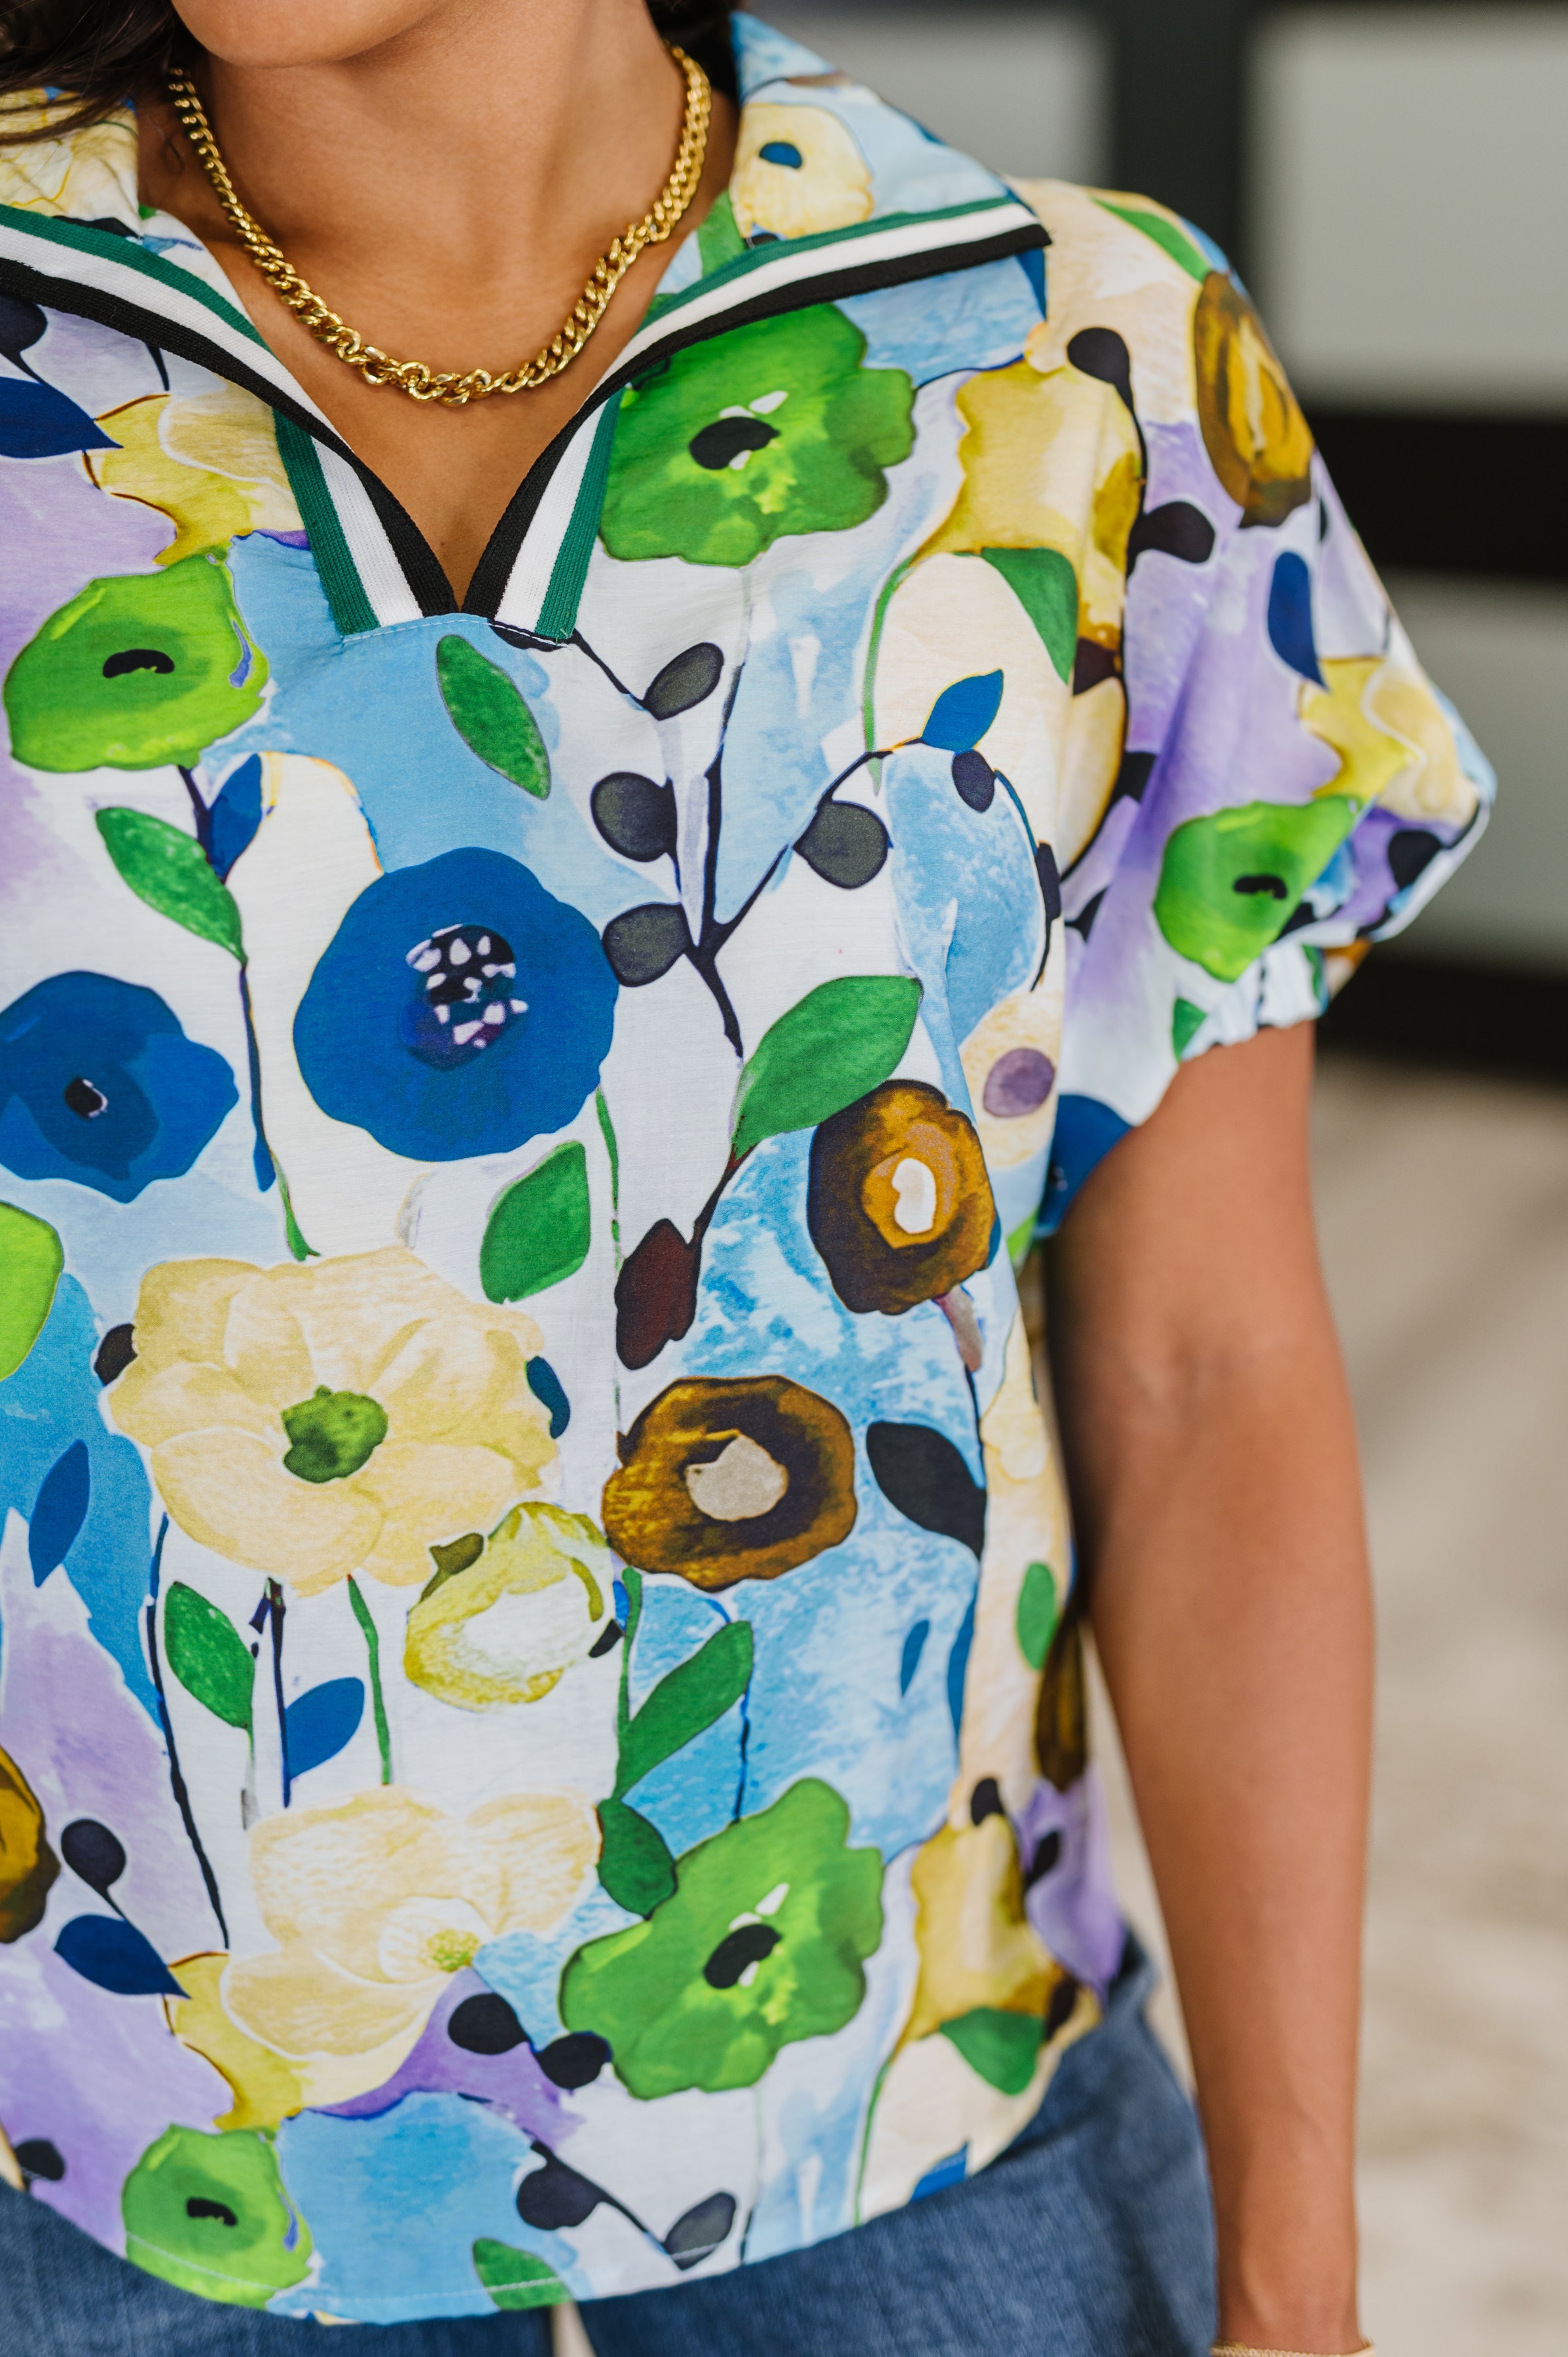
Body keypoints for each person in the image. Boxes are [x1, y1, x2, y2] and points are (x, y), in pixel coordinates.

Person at [0, 5, 1490, 2354]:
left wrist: (1293, 2276)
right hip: (90, 2130)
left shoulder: (1080, 355)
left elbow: (1203, 1370)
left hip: (905, 2074)